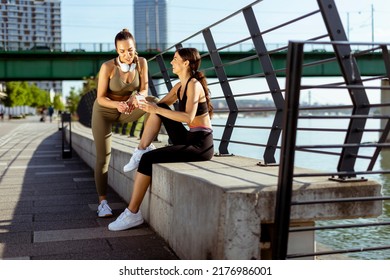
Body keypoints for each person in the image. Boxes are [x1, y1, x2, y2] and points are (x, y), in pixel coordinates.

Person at [109, 47, 214, 231]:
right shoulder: (180, 86)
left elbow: (188, 117)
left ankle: (132, 213)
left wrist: (155, 109)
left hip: (201, 145)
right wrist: (138, 100)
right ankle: (141, 149)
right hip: (188, 137)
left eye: (175, 59)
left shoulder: (194, 85)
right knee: (159, 107)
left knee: (149, 159)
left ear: (186, 63)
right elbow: (157, 105)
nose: (171, 62)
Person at [92, 28, 157, 218]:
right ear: (116, 51)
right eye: (122, 51)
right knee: (103, 157)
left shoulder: (142, 63)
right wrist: (117, 104)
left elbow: (144, 89)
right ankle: (102, 203)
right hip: (105, 112)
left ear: (134, 47)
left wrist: (137, 98)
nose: (127, 55)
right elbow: (100, 98)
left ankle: (142, 148)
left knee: (153, 104)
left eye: (130, 50)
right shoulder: (108, 67)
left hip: (127, 109)